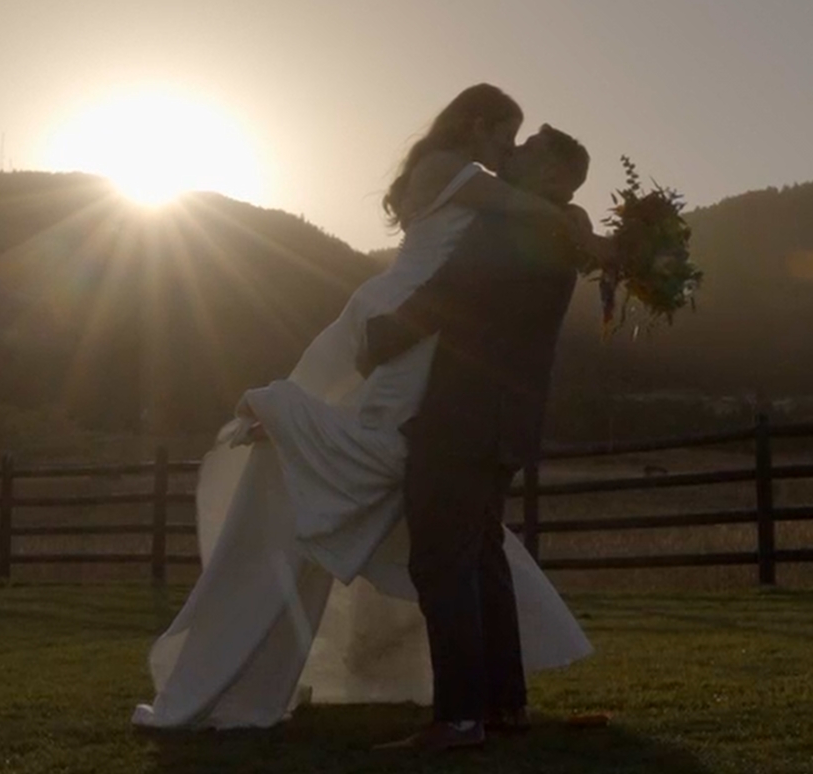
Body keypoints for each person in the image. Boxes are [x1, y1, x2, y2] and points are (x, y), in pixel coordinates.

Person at [132, 85, 599, 731]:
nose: (508, 151)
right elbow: (513, 212)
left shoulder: (479, 198)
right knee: (405, 469)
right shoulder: (460, 177)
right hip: (404, 323)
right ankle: (480, 706)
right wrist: (575, 222)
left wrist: (567, 217)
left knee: (447, 518)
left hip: (418, 338)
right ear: (476, 124)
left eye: (520, 144)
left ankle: (481, 706)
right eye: (506, 135)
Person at [364, 125, 593, 752]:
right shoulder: (558, 231)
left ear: (550, 173)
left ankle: (459, 717)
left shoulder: (511, 227)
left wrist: (376, 338)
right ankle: (504, 703)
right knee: (484, 557)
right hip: (508, 418)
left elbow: (449, 299)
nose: (508, 155)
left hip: (465, 413)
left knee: (441, 560)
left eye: (526, 151)